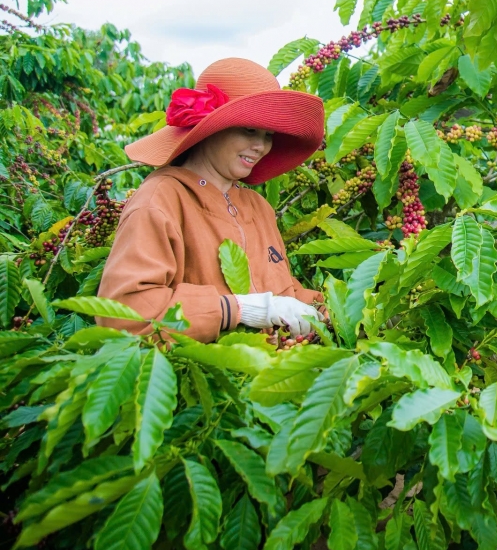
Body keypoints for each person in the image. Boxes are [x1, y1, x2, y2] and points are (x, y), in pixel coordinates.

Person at [98, 58, 326, 342]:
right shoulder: (160, 200)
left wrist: (329, 312)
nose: (261, 146)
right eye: (249, 130)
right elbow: (123, 314)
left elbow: (283, 293)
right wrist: (236, 310)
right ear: (211, 128)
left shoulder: (257, 207)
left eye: (268, 135)